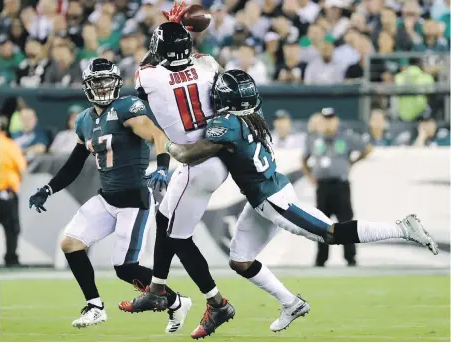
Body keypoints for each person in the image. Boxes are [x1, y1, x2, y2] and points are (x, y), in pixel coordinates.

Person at [164, 69, 438, 332]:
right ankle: (290, 303)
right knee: (240, 261)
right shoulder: (252, 113)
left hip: (273, 200)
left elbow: (187, 154)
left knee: (329, 233)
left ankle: (402, 228)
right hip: (264, 195)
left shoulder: (227, 125)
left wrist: (165, 142)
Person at [28, 58, 190, 330]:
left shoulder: (127, 107)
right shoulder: (83, 120)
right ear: (87, 86)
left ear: (116, 83)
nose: (103, 87)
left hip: (133, 201)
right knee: (70, 243)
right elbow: (74, 164)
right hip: (107, 198)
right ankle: (95, 306)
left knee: (125, 269)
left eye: (107, 81)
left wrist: (163, 166)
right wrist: (48, 188)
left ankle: (175, 301)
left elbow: (157, 136)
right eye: (97, 82)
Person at [121, 3, 235, 339]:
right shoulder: (209, 64)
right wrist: (185, 30)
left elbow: (149, 64)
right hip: (214, 154)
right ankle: (157, 288)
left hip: (195, 163)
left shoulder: (149, 75)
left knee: (177, 238)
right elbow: (206, 66)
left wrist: (171, 27)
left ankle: (217, 302)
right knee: (164, 216)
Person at [302, 108, 372, 267]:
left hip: (340, 186)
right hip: (323, 187)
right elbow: (304, 159)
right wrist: (310, 176)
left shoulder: (346, 136)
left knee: (346, 223)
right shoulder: (313, 138)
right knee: (320, 224)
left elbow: (367, 148)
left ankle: (350, 258)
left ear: (337, 121)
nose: (329, 122)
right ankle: (321, 259)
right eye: (325, 118)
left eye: (331, 118)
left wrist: (352, 162)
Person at [0, 116, 27, 267]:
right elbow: (22, 170)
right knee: (11, 229)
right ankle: (11, 258)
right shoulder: (9, 146)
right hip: (6, 193)